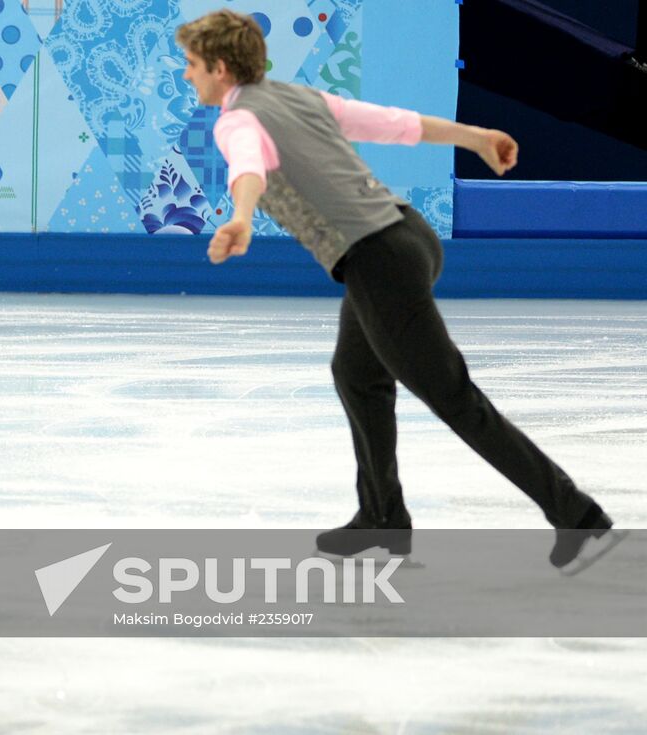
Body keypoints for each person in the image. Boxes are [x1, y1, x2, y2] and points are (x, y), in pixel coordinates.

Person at [174, 10, 612, 568]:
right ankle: (382, 520)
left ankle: (579, 519)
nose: (188, 76)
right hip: (408, 238)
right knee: (356, 374)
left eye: (192, 66)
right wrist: (475, 137)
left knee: (456, 401)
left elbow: (248, 167)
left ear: (219, 67)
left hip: (378, 259)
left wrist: (240, 217)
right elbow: (394, 123)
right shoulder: (300, 97)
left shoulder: (237, 121)